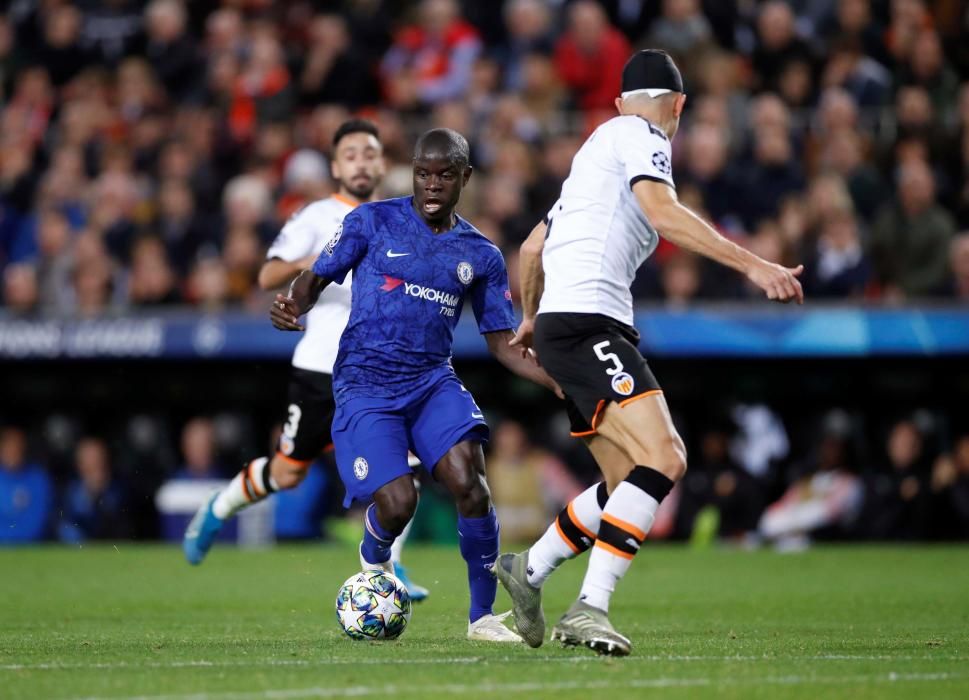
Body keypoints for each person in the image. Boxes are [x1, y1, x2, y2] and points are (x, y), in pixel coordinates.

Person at [493, 50, 804, 656]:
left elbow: (531, 250)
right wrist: (755, 265)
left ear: (617, 101)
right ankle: (590, 608)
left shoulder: (592, 156)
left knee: (623, 482)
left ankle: (527, 568)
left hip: (566, 322)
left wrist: (532, 316)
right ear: (679, 106)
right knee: (667, 457)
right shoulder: (642, 134)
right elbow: (662, 213)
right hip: (589, 322)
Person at [270, 127, 561, 642]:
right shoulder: (370, 222)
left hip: (431, 381)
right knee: (399, 503)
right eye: (423, 174)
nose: (431, 185)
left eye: (444, 176)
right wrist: (293, 305)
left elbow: (502, 343)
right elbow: (312, 280)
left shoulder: (482, 255)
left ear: (464, 178)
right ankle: (374, 554)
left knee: (471, 486)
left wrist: (558, 380)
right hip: (364, 384)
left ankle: (482, 618)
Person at [183, 120, 427, 598]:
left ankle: (391, 567)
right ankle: (220, 506)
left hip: (381, 369)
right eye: (351, 153)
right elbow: (266, 274)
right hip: (320, 367)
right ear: (336, 166)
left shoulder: (405, 217)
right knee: (288, 472)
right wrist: (320, 260)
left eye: (369, 152)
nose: (361, 161)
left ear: (381, 163)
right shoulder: (317, 216)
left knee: (403, 465)